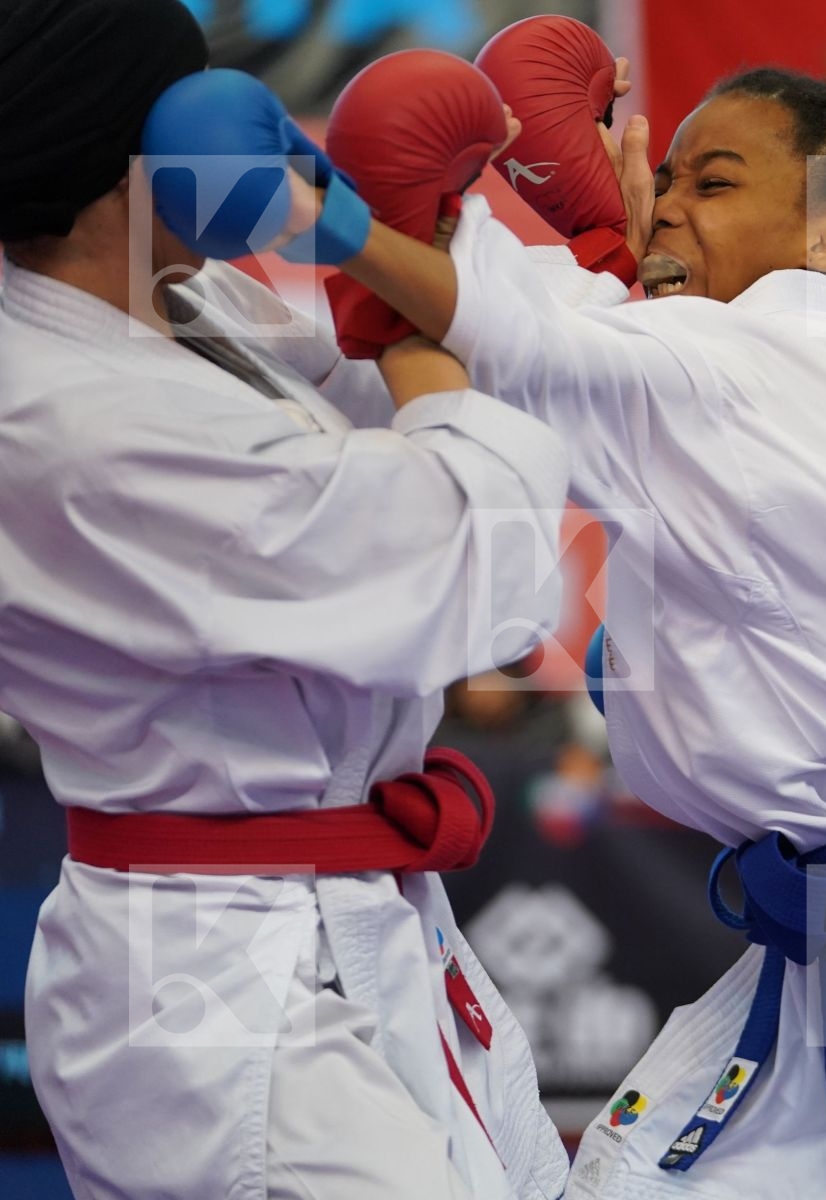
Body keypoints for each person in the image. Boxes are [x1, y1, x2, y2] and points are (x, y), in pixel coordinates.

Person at [195, 31, 826, 1197]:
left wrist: (335, 219)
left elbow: (528, 340)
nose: (666, 203)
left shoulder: (743, 367)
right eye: (664, 176)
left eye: (713, 183)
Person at [0, 3, 573, 1197]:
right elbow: (486, 552)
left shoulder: (180, 319)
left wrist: (402, 243)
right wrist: (377, 256)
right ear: (166, 138)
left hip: (328, 911)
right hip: (211, 968)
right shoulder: (75, 421)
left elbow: (378, 396)